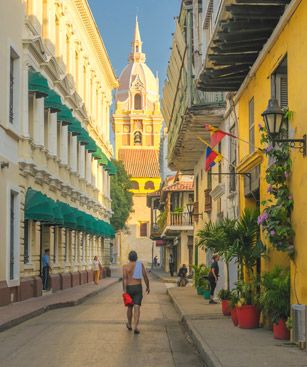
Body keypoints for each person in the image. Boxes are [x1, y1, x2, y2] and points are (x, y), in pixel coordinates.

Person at [123, 251, 150, 334]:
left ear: (129, 257)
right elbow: (145, 276)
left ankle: (129, 324)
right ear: (136, 257)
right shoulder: (139, 265)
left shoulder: (125, 266)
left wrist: (124, 291)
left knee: (130, 307)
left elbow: (125, 279)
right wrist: (148, 286)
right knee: (137, 307)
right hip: (137, 287)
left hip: (129, 288)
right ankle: (136, 327)